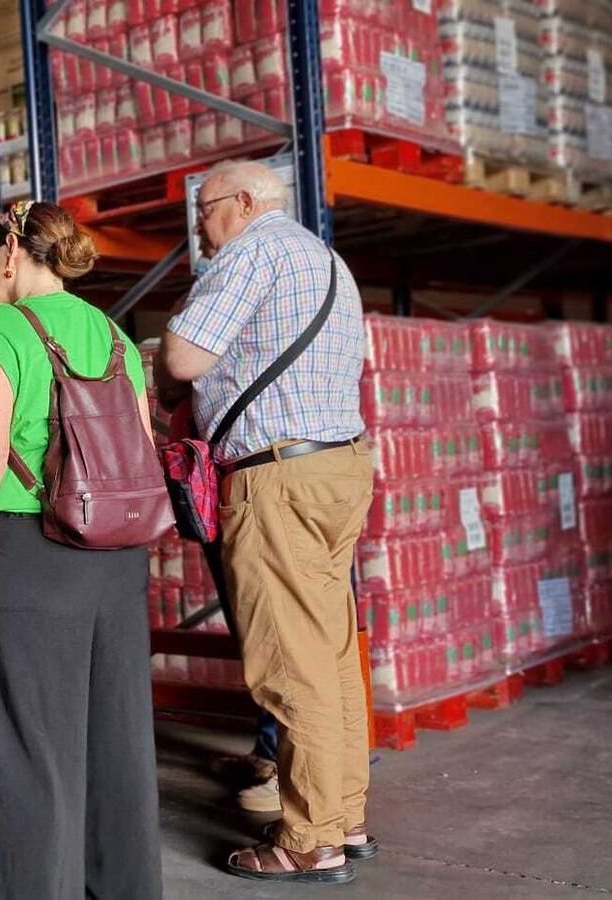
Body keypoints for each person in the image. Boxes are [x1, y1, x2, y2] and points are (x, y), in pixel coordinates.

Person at [158, 160, 372, 884]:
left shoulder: (252, 251)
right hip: (339, 467)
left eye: (204, 209)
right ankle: (344, 814)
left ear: (244, 202)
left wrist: (163, 345)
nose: (198, 225)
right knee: (333, 651)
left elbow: (185, 357)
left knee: (290, 663)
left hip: (277, 479)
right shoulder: (324, 258)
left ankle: (309, 841)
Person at [0, 199, 164, 899]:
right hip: (115, 552)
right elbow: (142, 448)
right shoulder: (114, 335)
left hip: (26, 551)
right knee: (115, 736)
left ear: (10, 255)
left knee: (23, 743)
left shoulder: (0, 330)